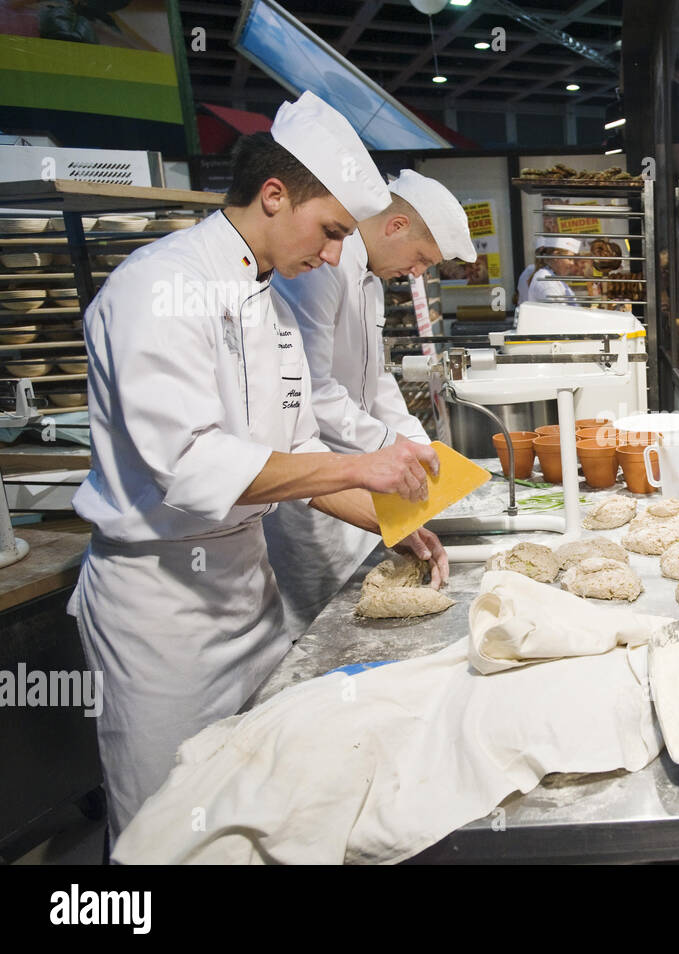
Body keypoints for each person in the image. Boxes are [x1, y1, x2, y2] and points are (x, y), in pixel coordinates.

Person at [69, 91, 449, 842]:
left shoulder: (266, 300)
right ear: (274, 195)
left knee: (254, 808)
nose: (336, 254)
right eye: (331, 230)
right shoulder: (159, 287)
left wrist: (389, 524)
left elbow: (299, 450)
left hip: (249, 592)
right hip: (162, 612)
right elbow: (188, 464)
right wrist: (363, 471)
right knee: (165, 831)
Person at [264, 171, 476, 637]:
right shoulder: (321, 271)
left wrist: (422, 449)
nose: (417, 274)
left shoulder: (371, 281)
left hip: (360, 475)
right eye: (421, 259)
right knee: (326, 628)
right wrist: (390, 446)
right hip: (315, 486)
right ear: (396, 226)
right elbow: (313, 390)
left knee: (364, 603)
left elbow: (375, 379)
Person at [526, 235, 581, 303]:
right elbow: (559, 311)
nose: (572, 263)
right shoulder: (545, 281)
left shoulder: (556, 278)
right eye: (569, 259)